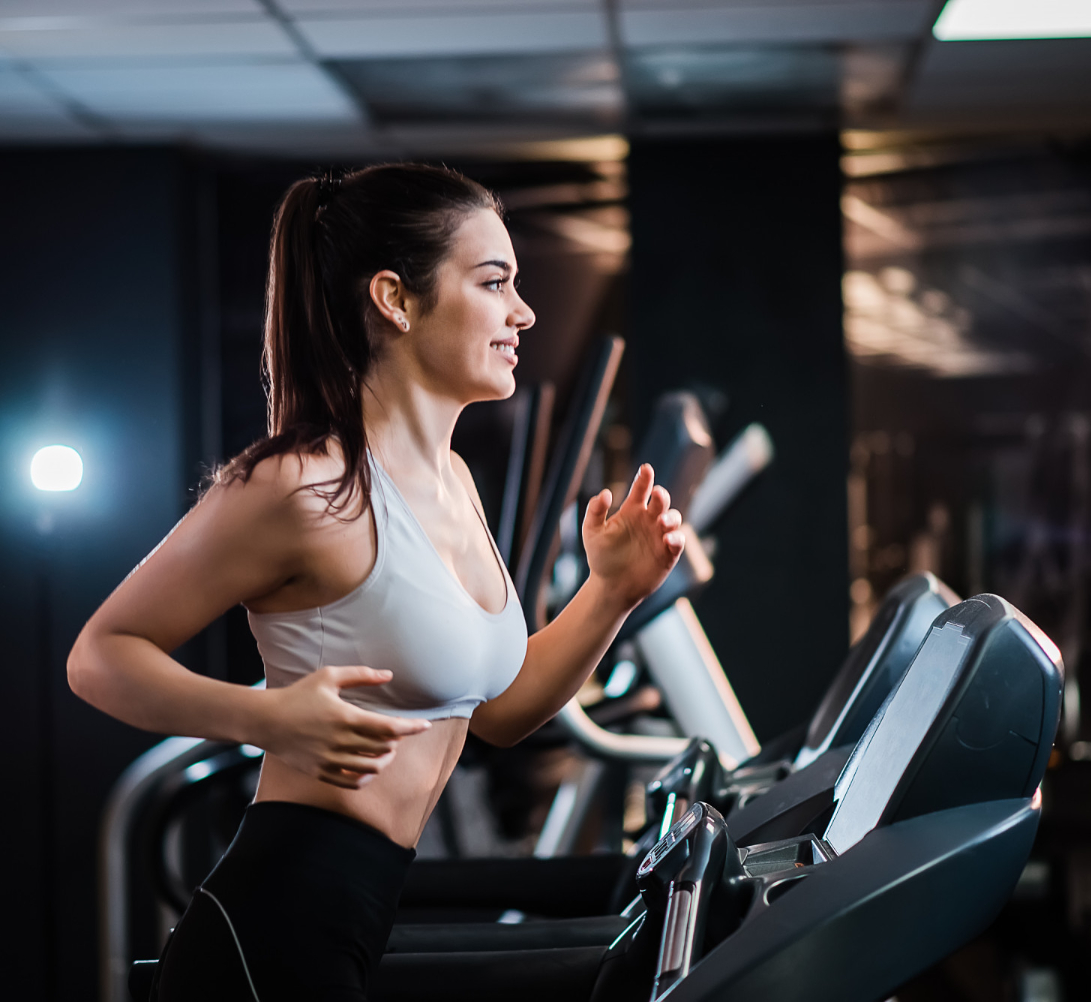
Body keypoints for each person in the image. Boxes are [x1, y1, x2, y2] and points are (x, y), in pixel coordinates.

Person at [68, 163, 685, 1002]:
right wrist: (263, 718)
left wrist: (612, 591)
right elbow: (100, 654)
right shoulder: (301, 486)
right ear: (395, 299)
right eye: (493, 282)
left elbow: (498, 715)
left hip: (363, 911)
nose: (523, 312)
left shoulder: (455, 483)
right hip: (273, 931)